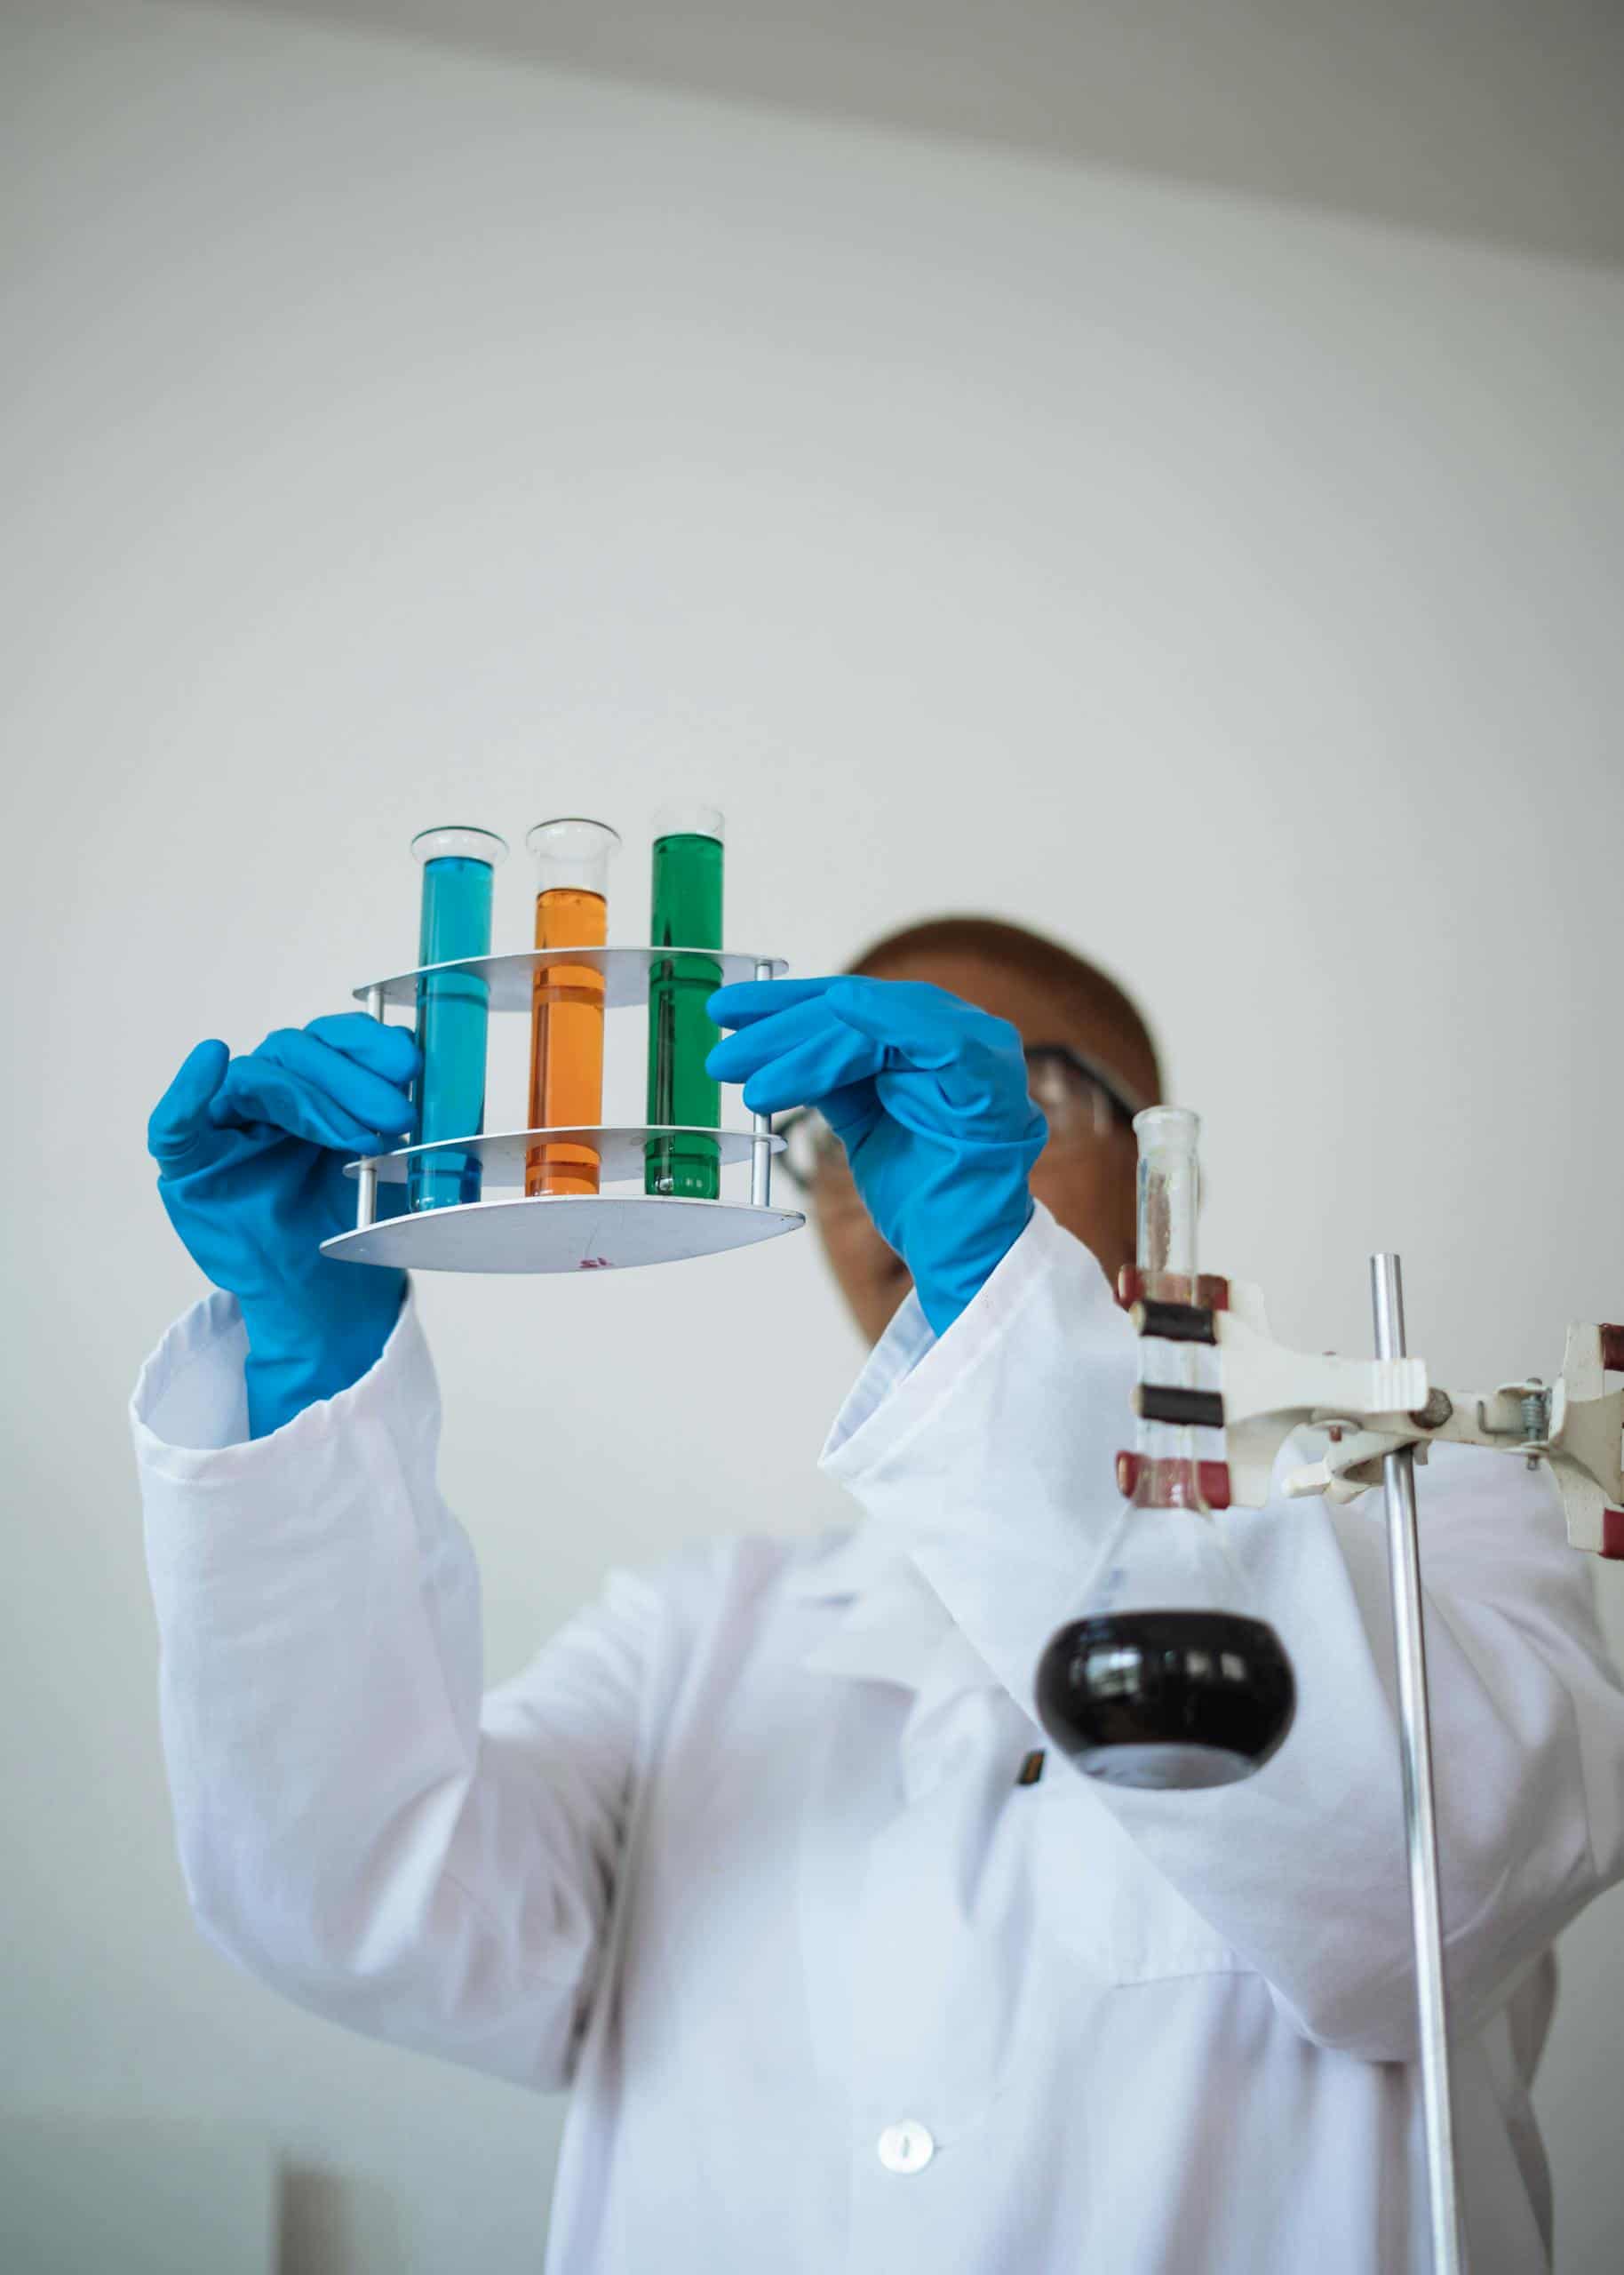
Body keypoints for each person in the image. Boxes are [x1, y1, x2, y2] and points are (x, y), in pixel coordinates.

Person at [131, 914, 1624, 2275]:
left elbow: (1402, 1922)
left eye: (990, 1095)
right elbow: (366, 1904)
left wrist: (1002, 1295)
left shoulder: (1440, 1532)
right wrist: (302, 1379)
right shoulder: (695, 1638)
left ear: (1162, 1152)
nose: (871, 1178)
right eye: (836, 1135)